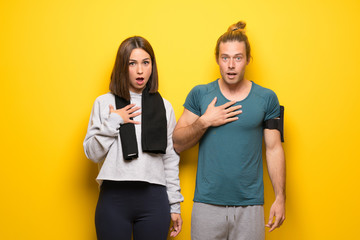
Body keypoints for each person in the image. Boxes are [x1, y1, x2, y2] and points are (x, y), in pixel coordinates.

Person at [173, 21, 286, 240]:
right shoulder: (201, 94)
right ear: (217, 59)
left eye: (237, 58)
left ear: (248, 60)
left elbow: (273, 149)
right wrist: (204, 121)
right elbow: (177, 142)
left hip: (250, 206)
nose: (231, 65)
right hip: (206, 204)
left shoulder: (267, 99)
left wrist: (280, 197)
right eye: (225, 58)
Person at [83, 36, 183, 240]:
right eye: (132, 63)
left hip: (153, 198)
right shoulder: (105, 103)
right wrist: (113, 121)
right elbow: (92, 153)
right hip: (114, 197)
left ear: (152, 66)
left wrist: (174, 205)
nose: (140, 71)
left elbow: (170, 159)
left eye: (146, 63)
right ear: (122, 66)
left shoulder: (164, 106)